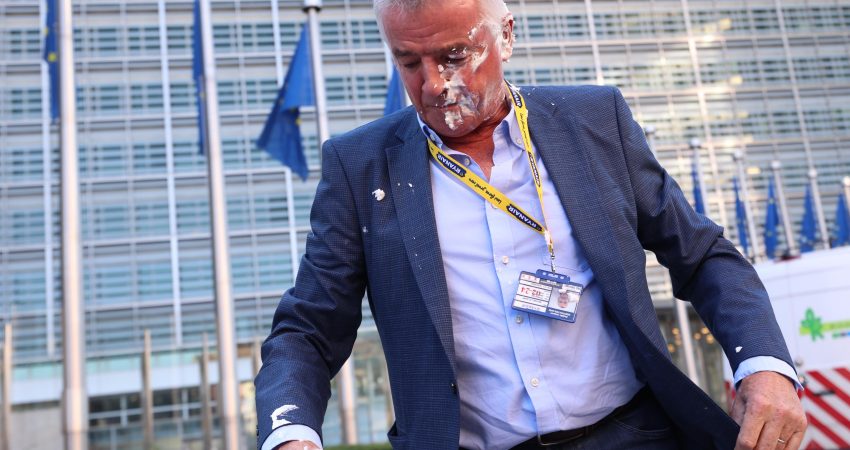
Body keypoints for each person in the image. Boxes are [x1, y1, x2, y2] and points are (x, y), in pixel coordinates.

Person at [255, 0, 807, 449]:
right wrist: (290, 432)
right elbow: (309, 328)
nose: (434, 84)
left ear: (506, 36)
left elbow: (702, 256)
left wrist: (764, 368)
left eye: (454, 55)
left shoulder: (595, 121)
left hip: (635, 433)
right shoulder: (359, 167)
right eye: (409, 62)